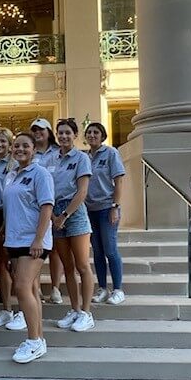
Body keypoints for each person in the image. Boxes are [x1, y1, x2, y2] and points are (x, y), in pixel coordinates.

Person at [2, 132, 54, 363]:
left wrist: (38, 239)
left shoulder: (40, 173)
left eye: (25, 146)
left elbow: (46, 207)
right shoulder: (12, 175)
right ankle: (38, 339)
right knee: (31, 290)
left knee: (22, 288)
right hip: (14, 239)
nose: (20, 149)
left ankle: (33, 340)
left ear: (34, 149)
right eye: (17, 146)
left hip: (32, 241)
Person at [50, 118, 94, 332]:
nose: (64, 136)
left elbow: (82, 191)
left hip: (74, 212)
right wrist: (53, 216)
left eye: (68, 132)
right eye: (60, 133)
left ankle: (86, 312)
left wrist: (65, 215)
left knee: (82, 265)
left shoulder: (81, 158)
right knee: (67, 267)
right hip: (55, 211)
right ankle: (75, 309)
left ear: (75, 135)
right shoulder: (52, 159)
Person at [0, 127, 25, 330]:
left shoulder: (14, 166)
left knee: (18, 267)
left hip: (13, 217)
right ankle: (7, 309)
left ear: (10, 145)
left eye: (4, 142)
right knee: (1, 265)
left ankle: (22, 311)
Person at [85, 122, 126, 305]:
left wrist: (115, 206)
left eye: (96, 132)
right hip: (89, 210)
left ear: (102, 136)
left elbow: (119, 181)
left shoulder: (110, 153)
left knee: (110, 250)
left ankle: (118, 289)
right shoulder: (84, 157)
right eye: (89, 132)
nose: (92, 135)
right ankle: (102, 288)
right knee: (98, 252)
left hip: (107, 208)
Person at [30, 118, 63, 305]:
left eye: (41, 129)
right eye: (34, 130)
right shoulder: (30, 151)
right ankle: (38, 288)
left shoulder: (58, 152)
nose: (37, 133)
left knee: (56, 250)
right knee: (36, 250)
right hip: (33, 208)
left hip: (55, 204)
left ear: (49, 132)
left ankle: (56, 287)